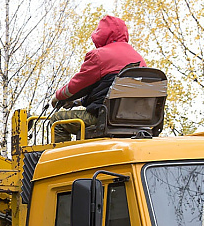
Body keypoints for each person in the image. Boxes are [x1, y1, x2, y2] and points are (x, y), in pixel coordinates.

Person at [48, 15, 146, 143]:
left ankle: (63, 161)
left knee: (58, 120)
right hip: (136, 120)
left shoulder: (99, 56)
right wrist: (78, 102)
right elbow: (108, 91)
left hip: (105, 118)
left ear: (100, 34)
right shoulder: (139, 59)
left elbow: (75, 86)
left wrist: (58, 97)